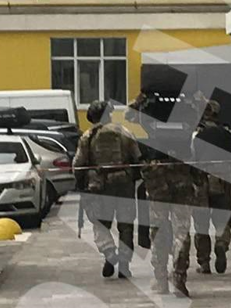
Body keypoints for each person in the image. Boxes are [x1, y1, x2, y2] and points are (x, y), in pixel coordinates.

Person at [138, 94, 201, 297]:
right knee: (182, 231)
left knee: (158, 232)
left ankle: (161, 280)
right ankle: (180, 276)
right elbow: (195, 162)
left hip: (157, 186)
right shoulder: (187, 133)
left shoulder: (151, 132)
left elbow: (134, 115)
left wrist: (142, 101)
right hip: (182, 183)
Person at [71, 101, 141, 279]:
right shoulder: (124, 132)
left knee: (100, 223)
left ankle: (109, 252)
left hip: (99, 186)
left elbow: (78, 164)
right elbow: (137, 157)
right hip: (124, 184)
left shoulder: (88, 136)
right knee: (126, 225)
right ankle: (124, 264)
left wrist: (80, 184)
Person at [190, 99, 231, 274]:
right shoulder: (229, 134)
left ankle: (204, 263)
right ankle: (221, 244)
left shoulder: (195, 136)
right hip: (223, 181)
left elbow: (189, 159)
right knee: (223, 219)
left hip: (201, 182)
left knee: (201, 224)